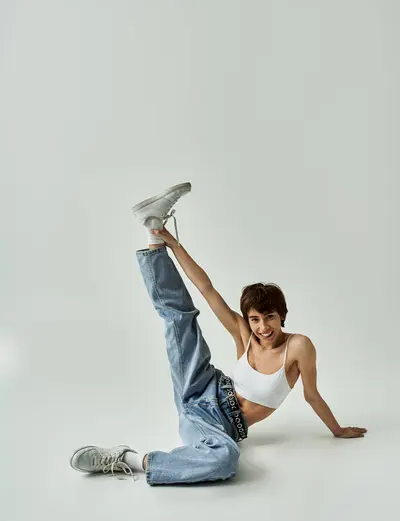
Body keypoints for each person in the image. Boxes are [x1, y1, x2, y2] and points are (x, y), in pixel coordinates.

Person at [70, 182, 367, 485]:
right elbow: (206, 289)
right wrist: (173, 244)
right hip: (201, 385)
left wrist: (338, 430)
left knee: (225, 459)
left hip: (212, 423)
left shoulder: (299, 346)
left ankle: (128, 459)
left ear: (282, 316)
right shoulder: (245, 334)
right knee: (180, 319)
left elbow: (311, 395)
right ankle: (152, 228)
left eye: (269, 318)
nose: (262, 327)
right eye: (254, 319)